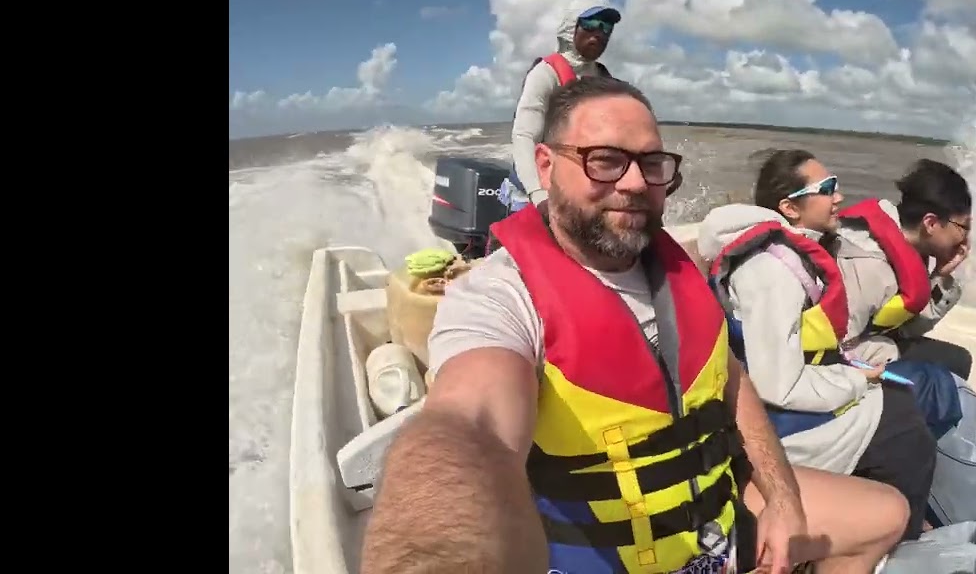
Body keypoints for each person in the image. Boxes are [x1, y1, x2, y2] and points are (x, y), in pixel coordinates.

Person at [363, 78, 907, 574]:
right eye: (604, 160)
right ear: (546, 165)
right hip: (611, 554)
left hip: (712, 521)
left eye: (650, 164)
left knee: (884, 515)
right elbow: (469, 427)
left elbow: (731, 381)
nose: (632, 182)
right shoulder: (500, 296)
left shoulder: (677, 271)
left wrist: (784, 502)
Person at [697, 149, 938, 542]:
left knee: (905, 397)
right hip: (771, 421)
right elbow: (779, 386)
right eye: (826, 189)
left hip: (784, 387)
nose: (838, 196)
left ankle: (892, 520)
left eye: (836, 186)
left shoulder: (792, 249)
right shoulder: (772, 269)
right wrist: (857, 382)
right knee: (905, 429)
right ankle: (898, 543)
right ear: (789, 207)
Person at [835, 158, 974, 381]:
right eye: (963, 227)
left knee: (957, 360)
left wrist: (941, 275)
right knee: (943, 378)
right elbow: (838, 350)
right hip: (848, 363)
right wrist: (890, 351)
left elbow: (906, 328)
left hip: (869, 341)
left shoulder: (910, 247)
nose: (966, 238)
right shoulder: (869, 264)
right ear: (930, 223)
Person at [506, 0, 620, 216]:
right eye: (591, 23)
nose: (600, 32)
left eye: (607, 27)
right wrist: (538, 194)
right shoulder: (545, 73)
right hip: (533, 189)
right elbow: (524, 136)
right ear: (571, 29)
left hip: (574, 189)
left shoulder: (604, 78)